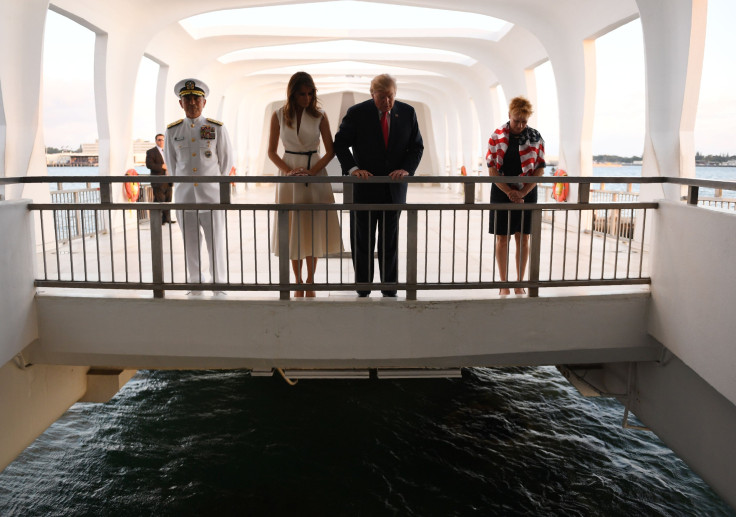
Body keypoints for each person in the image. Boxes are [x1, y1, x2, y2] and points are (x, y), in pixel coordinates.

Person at [334, 74, 423, 297]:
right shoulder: (357, 113)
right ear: (372, 93)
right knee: (362, 238)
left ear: (395, 93)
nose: (386, 102)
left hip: (393, 189)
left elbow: (416, 147)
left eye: (390, 97)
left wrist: (406, 169)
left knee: (389, 240)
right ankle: (363, 287)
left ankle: (389, 287)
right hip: (365, 188)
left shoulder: (408, 113)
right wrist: (354, 169)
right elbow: (340, 144)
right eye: (381, 97)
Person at [268, 72, 342, 298]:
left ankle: (310, 280)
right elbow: (271, 152)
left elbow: (330, 151)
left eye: (310, 93)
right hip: (289, 176)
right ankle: (297, 280)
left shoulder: (320, 115)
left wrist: (313, 171)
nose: (307, 98)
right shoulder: (279, 115)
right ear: (292, 94)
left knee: (312, 229)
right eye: (302, 94)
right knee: (292, 229)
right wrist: (288, 171)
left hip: (315, 173)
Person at [164, 78, 234, 293]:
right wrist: (185, 186)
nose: (192, 102)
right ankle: (195, 282)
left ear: (204, 102)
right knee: (190, 244)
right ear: (180, 103)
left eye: (196, 98)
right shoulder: (172, 131)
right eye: (187, 99)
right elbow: (171, 164)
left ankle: (218, 283)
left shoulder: (216, 128)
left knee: (215, 243)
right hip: (185, 198)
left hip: (211, 197)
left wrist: (214, 186)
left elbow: (226, 162)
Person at [486, 96, 546, 296]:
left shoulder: (536, 137)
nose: (520, 125)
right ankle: (503, 284)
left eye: (524, 121)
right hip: (501, 190)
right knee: (502, 238)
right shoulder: (496, 136)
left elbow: (539, 169)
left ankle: (520, 283)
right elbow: (492, 170)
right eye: (516, 120)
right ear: (509, 115)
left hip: (527, 191)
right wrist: (510, 192)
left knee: (523, 237)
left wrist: (522, 192)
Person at [145, 134, 173, 224]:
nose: (161, 141)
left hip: (168, 180)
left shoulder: (168, 151)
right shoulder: (151, 152)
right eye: (159, 140)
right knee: (160, 200)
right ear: (156, 141)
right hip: (158, 180)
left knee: (168, 200)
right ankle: (158, 220)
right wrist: (162, 166)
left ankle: (166, 218)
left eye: (162, 140)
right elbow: (149, 165)